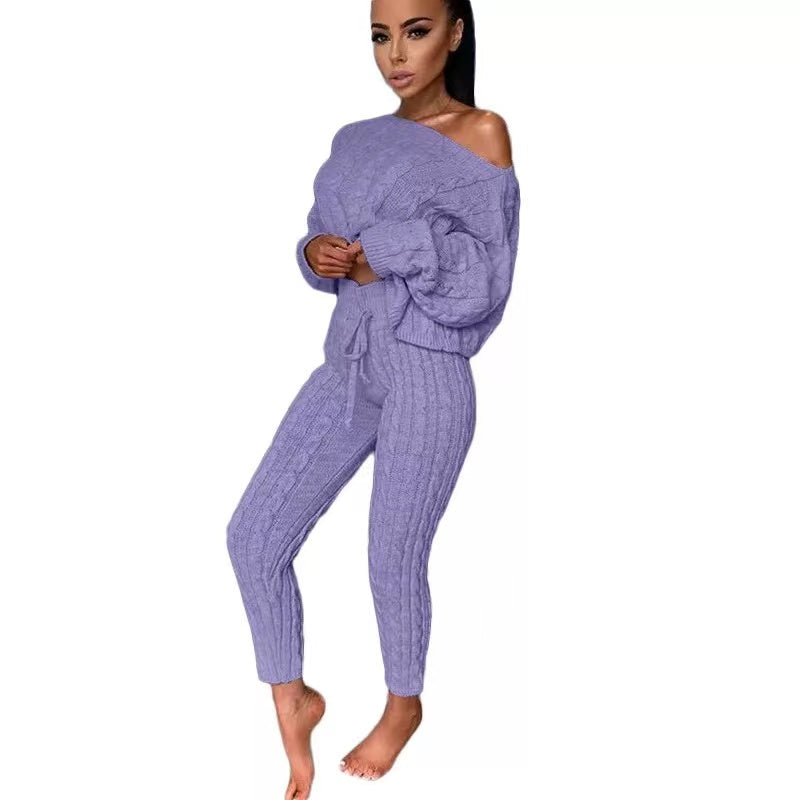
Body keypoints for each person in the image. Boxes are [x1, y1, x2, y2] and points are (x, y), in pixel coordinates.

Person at [226, 1, 521, 797]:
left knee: (391, 558)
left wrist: (381, 252)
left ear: (455, 32)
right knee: (253, 536)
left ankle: (402, 707)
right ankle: (294, 699)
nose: (395, 54)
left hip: (430, 369)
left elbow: (485, 278)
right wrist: (316, 252)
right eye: (380, 35)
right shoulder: (354, 138)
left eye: (416, 31)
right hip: (349, 359)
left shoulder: (483, 132)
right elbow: (325, 237)